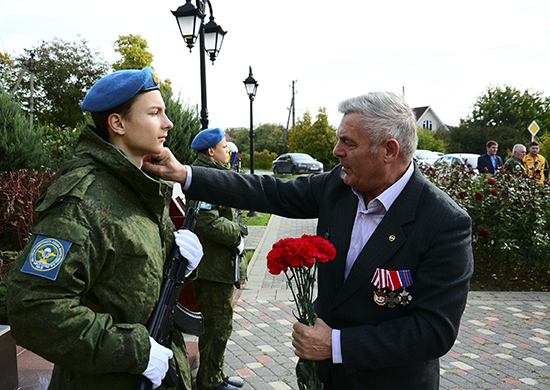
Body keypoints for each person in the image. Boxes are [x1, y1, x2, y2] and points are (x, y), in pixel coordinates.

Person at [142, 91, 474, 389]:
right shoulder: (339, 187)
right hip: (322, 377)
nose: (336, 151)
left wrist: (338, 345)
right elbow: (269, 192)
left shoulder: (444, 223)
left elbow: (433, 332)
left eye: (349, 143)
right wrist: (186, 174)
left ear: (389, 150)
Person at [6, 67, 204, 390]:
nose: (168, 123)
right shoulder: (83, 198)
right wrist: (134, 351)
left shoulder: (140, 184)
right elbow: (33, 307)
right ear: (118, 123)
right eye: (155, 113)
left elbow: (131, 272)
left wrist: (182, 261)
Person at [187, 128, 246, 390]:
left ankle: (215, 375)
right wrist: (237, 235)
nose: (228, 151)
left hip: (218, 266)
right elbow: (205, 222)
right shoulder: (205, 178)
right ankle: (210, 381)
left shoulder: (214, 173)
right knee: (217, 327)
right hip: (212, 269)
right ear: (211, 152)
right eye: (224, 147)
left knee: (219, 326)